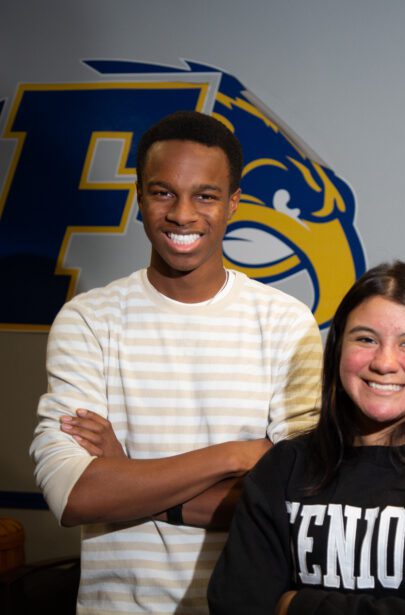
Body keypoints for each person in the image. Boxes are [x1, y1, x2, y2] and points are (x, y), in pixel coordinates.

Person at [29, 110, 322, 614]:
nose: (183, 214)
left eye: (205, 195)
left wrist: (128, 477)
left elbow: (296, 502)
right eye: (164, 192)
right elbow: (73, 493)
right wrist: (234, 455)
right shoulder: (88, 321)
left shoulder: (285, 323)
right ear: (140, 197)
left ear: (233, 204)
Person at [208, 261, 405, 614]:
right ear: (338, 352)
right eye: (365, 339)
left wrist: (297, 605)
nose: (385, 362)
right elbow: (236, 604)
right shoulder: (285, 467)